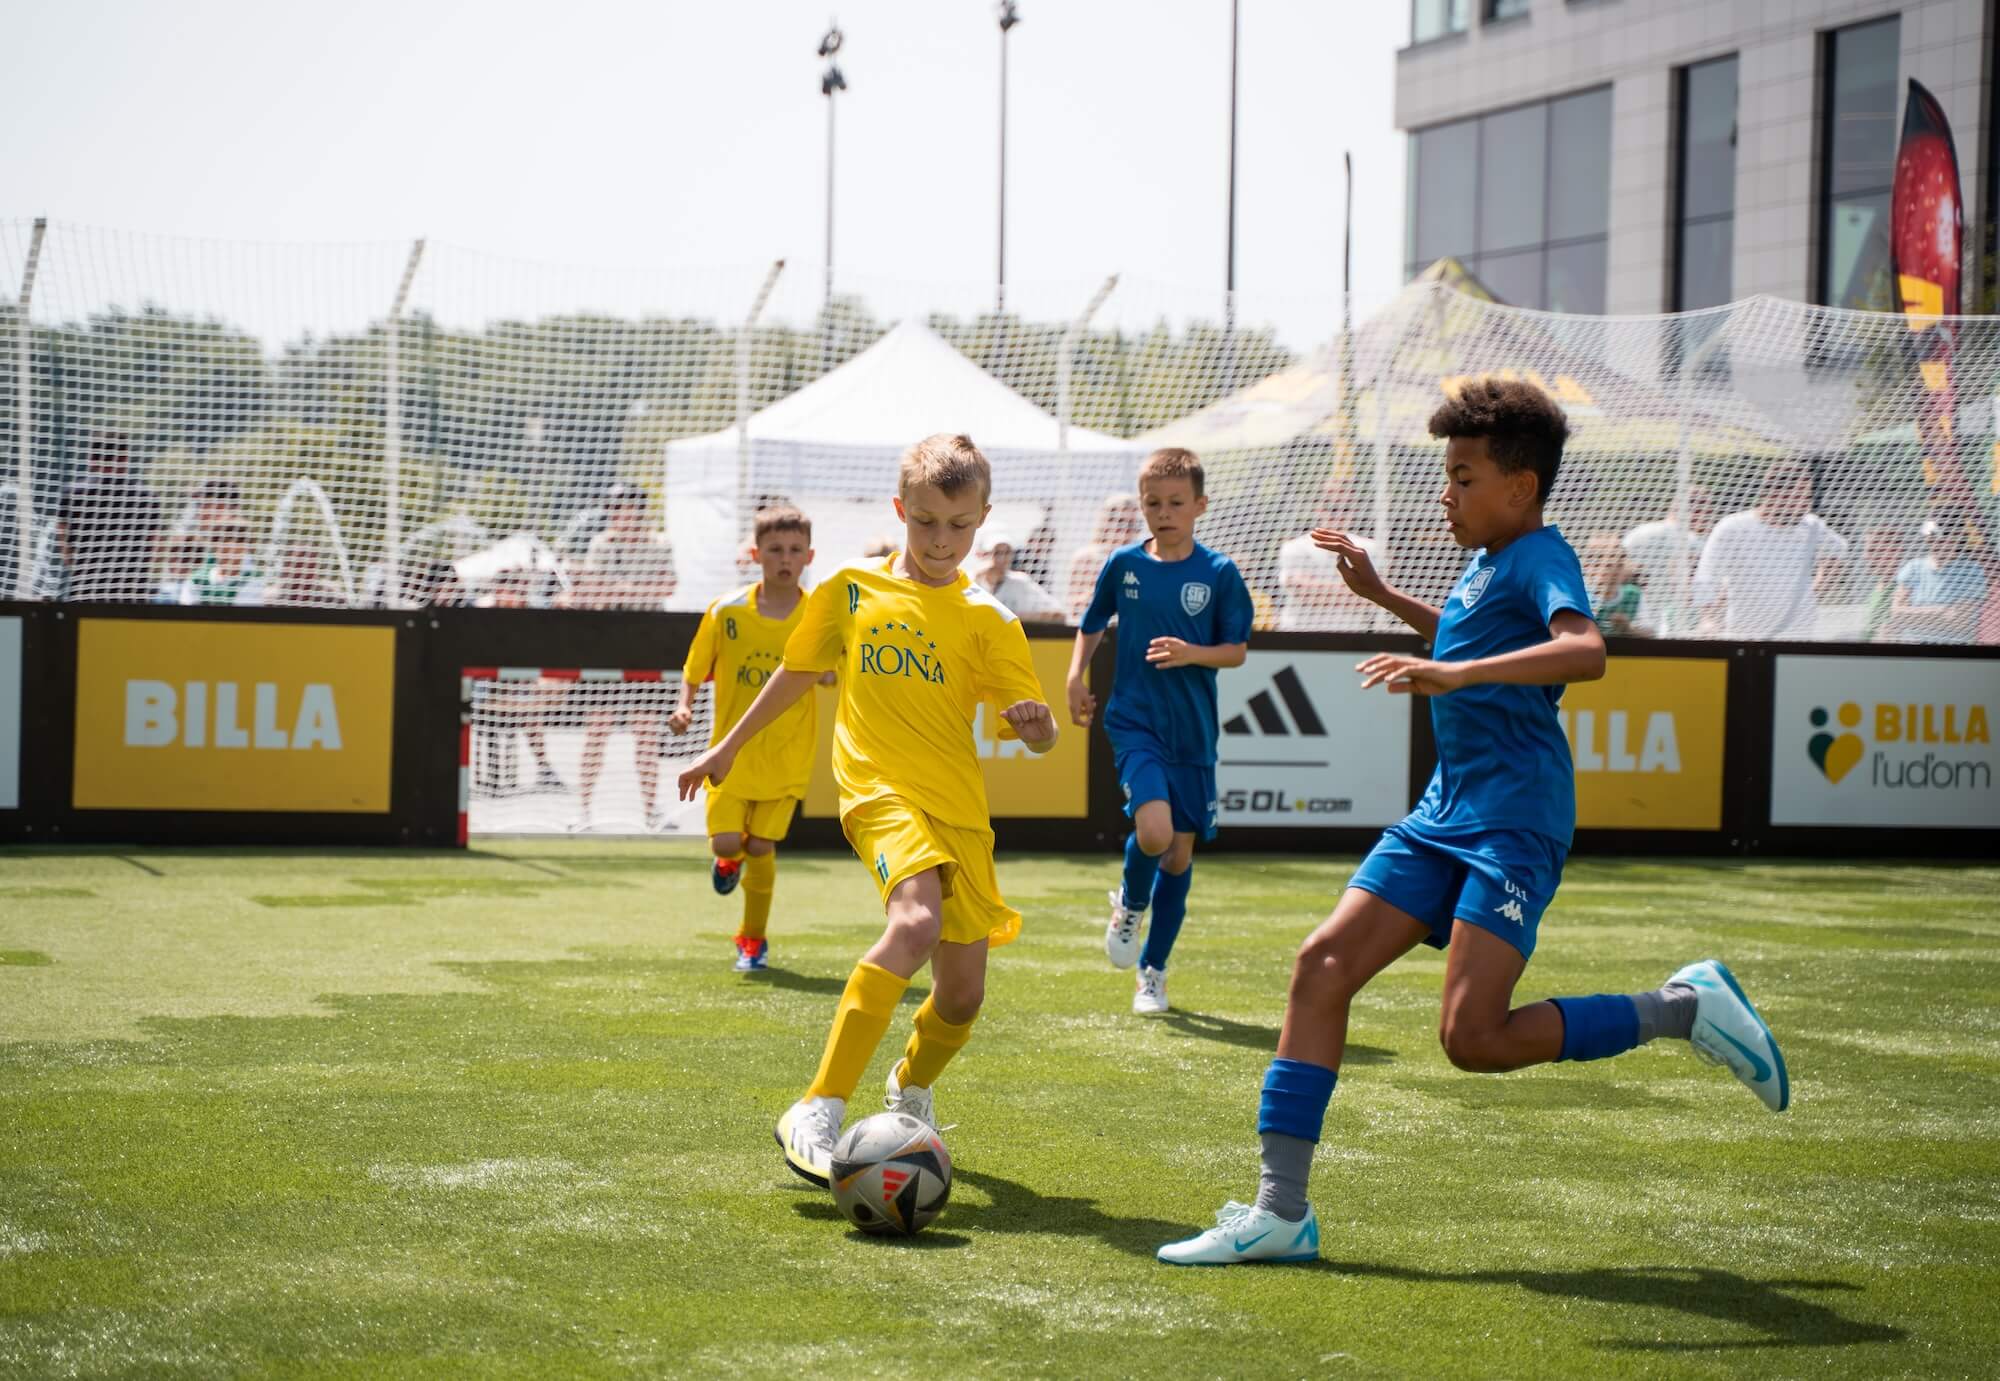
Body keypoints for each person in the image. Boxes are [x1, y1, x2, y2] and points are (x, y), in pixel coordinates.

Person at [1157, 379, 1788, 1268]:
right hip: (1442, 813)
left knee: (1473, 1039)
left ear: (1520, 487)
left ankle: (1681, 1010)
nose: (1445, 495)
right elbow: (1466, 637)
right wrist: (1386, 597)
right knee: (1321, 965)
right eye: (1446, 476)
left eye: (1462, 478)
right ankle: (1281, 1211)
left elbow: (1586, 650)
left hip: (1513, 821)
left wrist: (1454, 675)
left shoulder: (1540, 556)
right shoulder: (1488, 562)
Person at [675, 433, 1059, 1186]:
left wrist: (1038, 727)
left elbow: (1037, 730)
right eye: (926, 522)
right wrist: (726, 747)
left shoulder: (991, 620)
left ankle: (909, 1084)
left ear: (983, 519)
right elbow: (796, 671)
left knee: (962, 996)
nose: (941, 540)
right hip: (876, 790)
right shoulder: (850, 587)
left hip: (958, 808)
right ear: (900, 510)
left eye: (958, 525)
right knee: (913, 923)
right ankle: (816, 1105)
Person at [1067, 448, 1253, 1015]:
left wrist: (1192, 652)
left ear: (1200, 505)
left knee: (1178, 857)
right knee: (1154, 834)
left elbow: (1236, 651)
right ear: (1141, 506)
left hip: (1192, 734)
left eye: (1175, 502)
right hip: (1134, 721)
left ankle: (1153, 972)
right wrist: (1075, 677)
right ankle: (1129, 904)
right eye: (1153, 503)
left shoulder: (1219, 573)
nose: (1164, 512)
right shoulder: (1124, 563)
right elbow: (1092, 621)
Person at [667, 507, 824, 972]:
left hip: (788, 756)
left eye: (795, 550)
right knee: (726, 843)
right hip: (729, 755)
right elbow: (696, 666)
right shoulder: (727, 610)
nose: (785, 559)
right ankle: (726, 863)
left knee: (761, 847)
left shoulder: (819, 616)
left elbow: (839, 663)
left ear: (809, 556)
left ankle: (752, 939)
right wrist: (684, 705)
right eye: (774, 550)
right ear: (755, 555)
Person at [574, 483, 676, 830]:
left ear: (638, 510)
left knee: (646, 731)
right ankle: (583, 810)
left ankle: (651, 810)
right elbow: (594, 590)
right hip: (608, 644)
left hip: (647, 644)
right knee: (597, 729)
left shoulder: (659, 543)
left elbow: (667, 586)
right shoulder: (602, 544)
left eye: (624, 507)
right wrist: (633, 590)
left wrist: (621, 588)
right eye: (613, 507)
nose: (618, 513)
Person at [1692, 461, 1849, 639]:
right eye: (1800, 497)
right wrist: (1708, 619)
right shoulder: (1733, 527)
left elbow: (1838, 551)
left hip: (1798, 634)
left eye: (1808, 496)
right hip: (1745, 633)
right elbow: (1707, 576)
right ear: (1775, 494)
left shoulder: (1812, 526)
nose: (1807, 504)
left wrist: (1814, 592)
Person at [58, 432, 162, 603]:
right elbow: (153, 546)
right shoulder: (147, 497)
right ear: (125, 458)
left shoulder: (73, 494)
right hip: (132, 589)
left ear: (92, 459)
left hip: (86, 588)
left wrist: (77, 566)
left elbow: (64, 542)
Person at [1277, 485, 1386, 631]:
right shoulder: (1295, 547)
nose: (1339, 515)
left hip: (1352, 635)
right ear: (1319, 509)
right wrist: (1355, 591)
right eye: (1332, 508)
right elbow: (1303, 591)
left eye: (1345, 508)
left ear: (1353, 511)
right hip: (1300, 634)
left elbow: (1376, 596)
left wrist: (1319, 589)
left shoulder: (1369, 548)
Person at [1620, 484, 1714, 636]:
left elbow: (1621, 570)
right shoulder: (1695, 544)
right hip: (1681, 621)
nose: (1707, 520)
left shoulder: (1638, 534)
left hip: (1637, 616)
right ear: (1698, 511)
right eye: (1707, 512)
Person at [1885, 512, 1988, 644]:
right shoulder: (1912, 568)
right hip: (1911, 650)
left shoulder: (1971, 571)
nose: (1934, 541)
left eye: (1940, 535)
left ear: (1957, 536)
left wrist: (1909, 615)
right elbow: (1896, 613)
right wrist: (1942, 611)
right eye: (1929, 535)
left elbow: (1961, 622)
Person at [1066, 493, 1143, 619]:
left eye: (1134, 525)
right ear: (1107, 523)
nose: (1127, 531)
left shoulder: (1142, 559)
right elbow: (1073, 608)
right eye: (1121, 523)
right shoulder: (1087, 557)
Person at [971, 529, 1065, 623]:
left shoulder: (1021, 582)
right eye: (997, 553)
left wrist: (1010, 618)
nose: (1003, 558)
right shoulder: (971, 581)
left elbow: (1058, 614)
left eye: (1008, 552)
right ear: (982, 555)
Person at [177, 520, 267, 607]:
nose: (226, 556)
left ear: (244, 548)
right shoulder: (196, 580)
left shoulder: (254, 581)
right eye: (222, 550)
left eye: (231, 550)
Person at [1583, 533, 1651, 637]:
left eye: (1619, 564)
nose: (1613, 571)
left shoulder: (1633, 595)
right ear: (1587, 565)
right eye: (1599, 563)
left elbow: (1650, 634)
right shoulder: (1577, 596)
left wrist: (1628, 629)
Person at [1856, 525, 1908, 642]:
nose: (1865, 556)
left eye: (1872, 550)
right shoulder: (1877, 589)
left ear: (1895, 552)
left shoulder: (1903, 590)